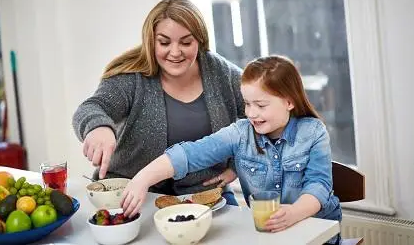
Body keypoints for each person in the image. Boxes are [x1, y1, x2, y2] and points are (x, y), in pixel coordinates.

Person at [119, 55, 342, 244]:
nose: (251, 113)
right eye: (247, 104)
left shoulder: (313, 132)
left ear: (289, 102)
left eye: (261, 105)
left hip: (317, 232)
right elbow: (191, 153)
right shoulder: (240, 133)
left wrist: (293, 213)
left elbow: (319, 185)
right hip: (270, 236)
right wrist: (143, 179)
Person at [72, 0, 245, 205]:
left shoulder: (222, 73)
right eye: (164, 42)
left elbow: (263, 117)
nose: (175, 52)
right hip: (132, 193)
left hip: (205, 193)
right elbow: (92, 107)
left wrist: (238, 164)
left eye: (186, 42)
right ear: (151, 41)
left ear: (200, 40)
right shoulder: (131, 77)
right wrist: (98, 127)